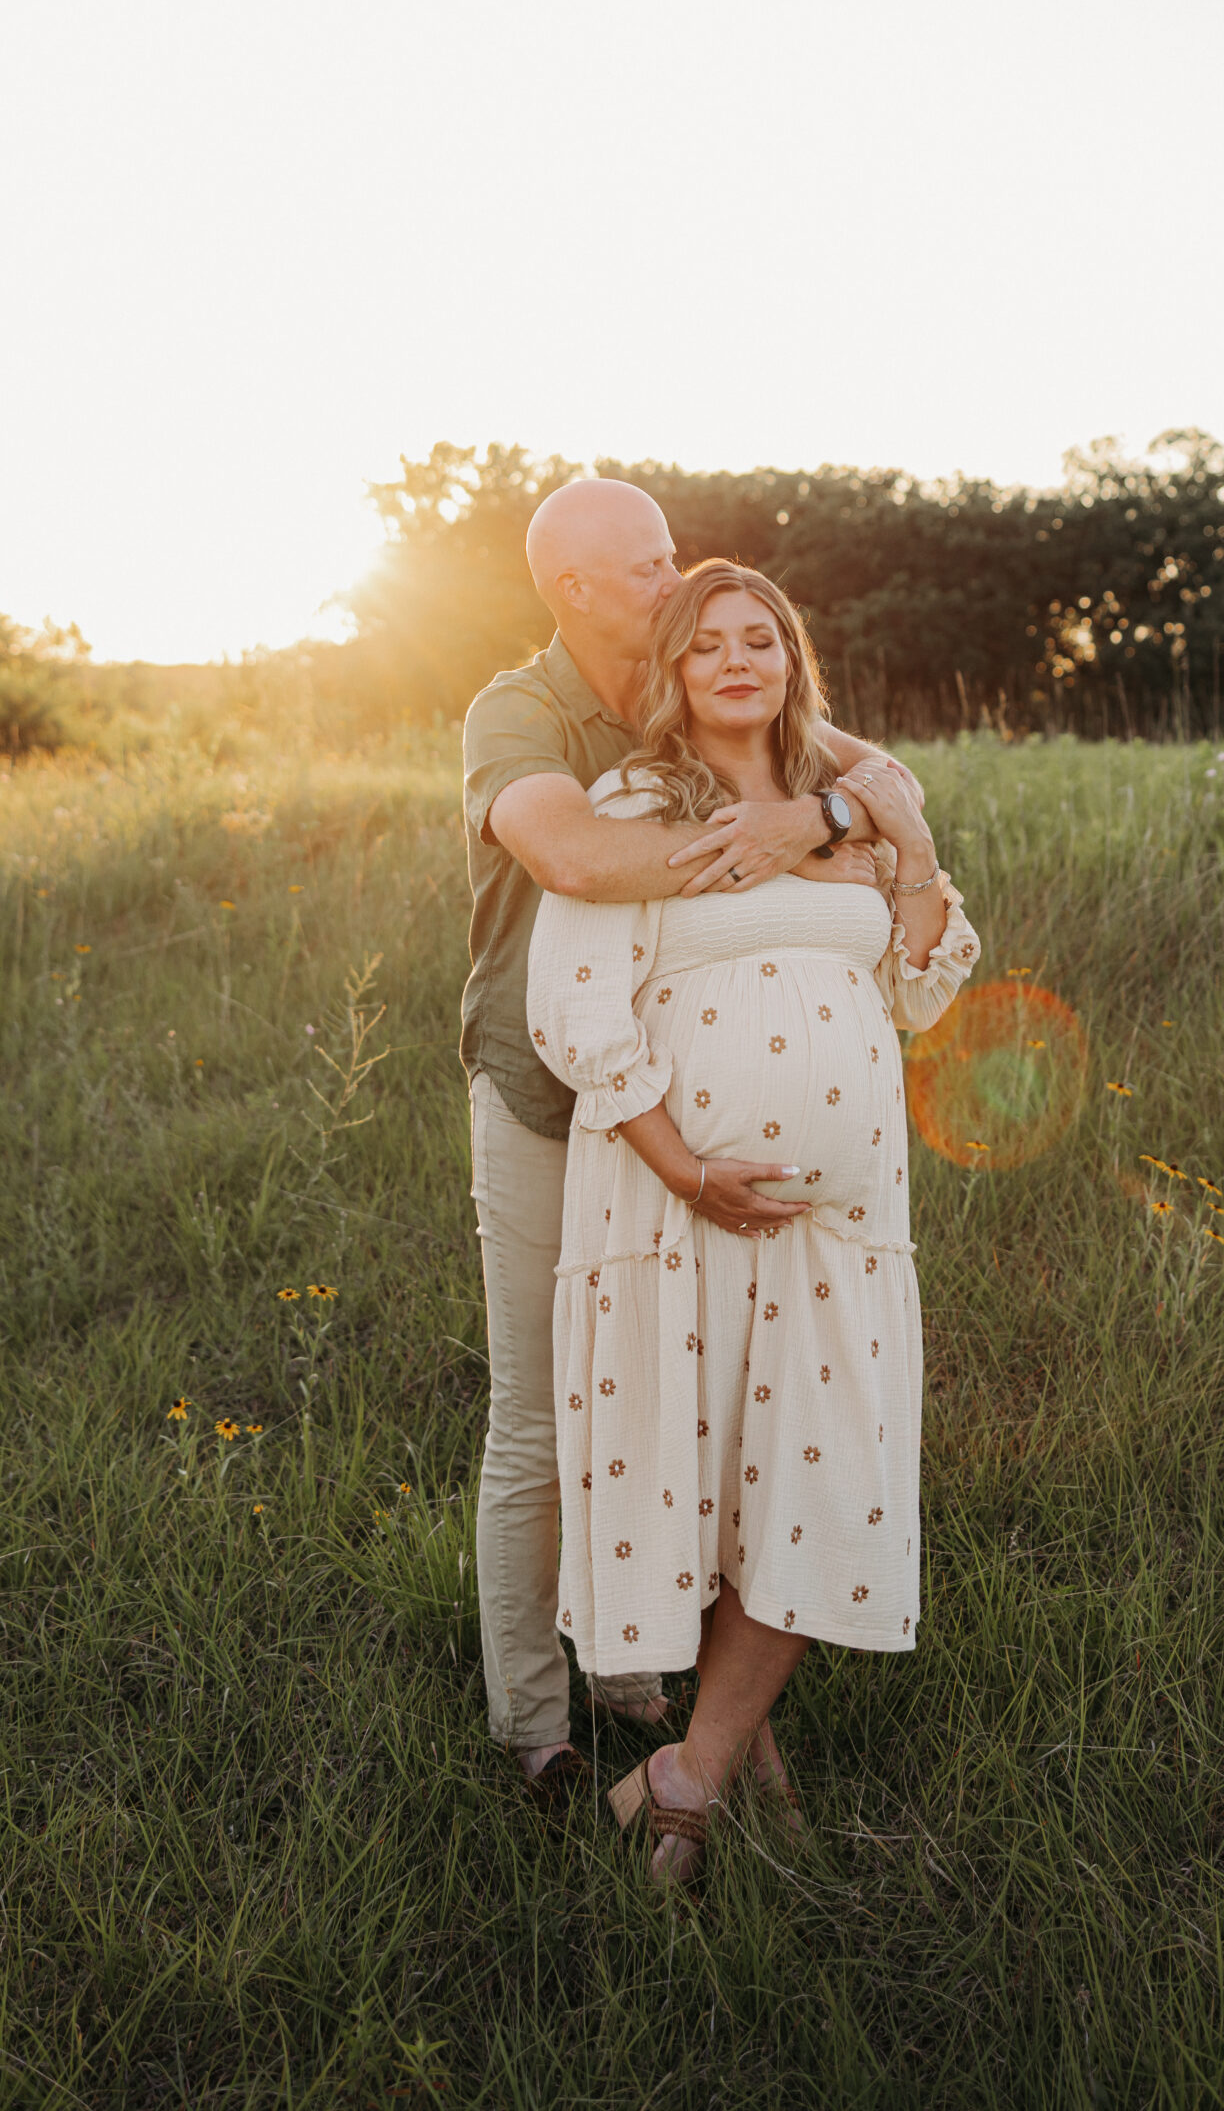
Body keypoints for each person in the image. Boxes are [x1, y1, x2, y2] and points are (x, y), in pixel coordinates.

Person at [461, 480, 921, 1798]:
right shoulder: (529, 711)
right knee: (551, 1416)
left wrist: (822, 815)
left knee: (696, 1411)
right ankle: (535, 1729)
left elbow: (890, 784)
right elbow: (585, 866)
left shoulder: (714, 688)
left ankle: (655, 1689)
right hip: (548, 1098)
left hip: (703, 1141)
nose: (681, 583)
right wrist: (779, 844)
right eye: (650, 567)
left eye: (675, 559)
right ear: (577, 590)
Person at [524, 561, 980, 1875]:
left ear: (793, 662)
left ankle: (690, 1772)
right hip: (679, 1214)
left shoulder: (858, 804)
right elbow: (581, 1001)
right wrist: (681, 1165)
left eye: (761, 640)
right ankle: (714, 1790)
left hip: (841, 1225)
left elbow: (926, 988)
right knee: (717, 1484)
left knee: (816, 1477)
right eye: (708, 644)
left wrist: (912, 845)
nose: (737, 662)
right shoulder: (639, 807)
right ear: (673, 674)